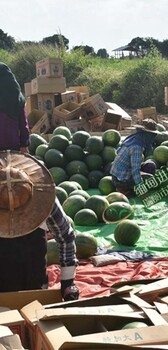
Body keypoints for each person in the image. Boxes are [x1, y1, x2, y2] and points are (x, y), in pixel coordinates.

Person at [0, 62, 79, 301]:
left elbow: (65, 234)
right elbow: (65, 234)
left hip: (31, 284)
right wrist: (68, 282)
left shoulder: (33, 191)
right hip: (29, 292)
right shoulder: (36, 189)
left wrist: (68, 283)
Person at [110, 118, 159, 196]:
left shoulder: (133, 138)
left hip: (118, 174)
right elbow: (135, 171)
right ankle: (125, 189)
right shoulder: (137, 146)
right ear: (146, 134)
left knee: (150, 165)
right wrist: (142, 189)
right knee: (153, 180)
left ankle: (129, 188)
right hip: (121, 180)